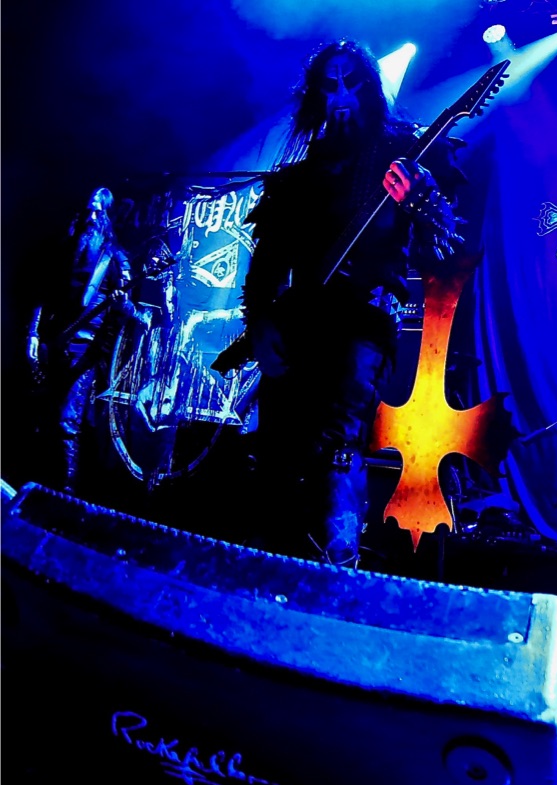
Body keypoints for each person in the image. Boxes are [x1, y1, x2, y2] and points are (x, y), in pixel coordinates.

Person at [215, 38, 466, 565]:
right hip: (297, 327)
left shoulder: (403, 152)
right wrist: (260, 324)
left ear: (370, 88)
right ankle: (273, 574)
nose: (342, 95)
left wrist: (419, 200)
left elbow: (442, 248)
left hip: (362, 325)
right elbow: (266, 264)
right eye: (331, 85)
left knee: (335, 447)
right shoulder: (303, 174)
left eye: (352, 82)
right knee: (278, 452)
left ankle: (337, 575)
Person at [27, 187, 149, 494]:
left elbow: (133, 312)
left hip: (86, 349)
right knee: (42, 418)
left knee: (66, 422)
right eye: (87, 211)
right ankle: (38, 486)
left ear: (107, 216)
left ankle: (65, 493)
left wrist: (122, 305)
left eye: (97, 211)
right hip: (53, 342)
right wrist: (33, 334)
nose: (91, 217)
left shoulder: (115, 258)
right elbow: (43, 294)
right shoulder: (65, 250)